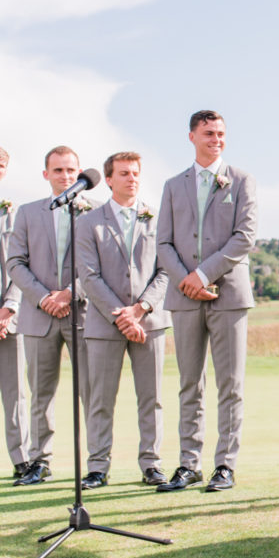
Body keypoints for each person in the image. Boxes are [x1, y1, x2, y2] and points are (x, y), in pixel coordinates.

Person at [156, 110, 257, 493]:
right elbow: (162, 241)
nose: (216, 139)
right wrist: (186, 280)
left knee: (230, 384)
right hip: (184, 298)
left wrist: (203, 275)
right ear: (192, 136)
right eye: (209, 133)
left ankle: (225, 466)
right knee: (188, 383)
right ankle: (188, 464)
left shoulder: (242, 180)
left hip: (228, 294)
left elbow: (244, 236)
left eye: (221, 133)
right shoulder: (171, 186)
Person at [76, 152, 171, 489]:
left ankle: (152, 464)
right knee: (100, 398)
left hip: (150, 322)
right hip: (104, 324)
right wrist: (122, 316)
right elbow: (88, 276)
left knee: (152, 397)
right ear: (110, 179)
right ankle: (98, 467)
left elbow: (165, 271)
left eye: (135, 173)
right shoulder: (88, 222)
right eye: (124, 173)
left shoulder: (158, 219)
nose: (131, 178)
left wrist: (141, 309)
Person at [7, 146, 99, 486]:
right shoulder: (28, 213)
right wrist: (44, 297)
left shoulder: (96, 212)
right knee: (40, 393)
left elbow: (98, 265)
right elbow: (15, 262)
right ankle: (39, 461)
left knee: (91, 392)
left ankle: (95, 465)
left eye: (71, 170)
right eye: (58, 170)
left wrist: (72, 291)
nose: (65, 176)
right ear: (46, 174)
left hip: (84, 314)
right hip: (38, 315)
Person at [0, 145, 30, 479]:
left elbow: (20, 263)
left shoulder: (13, 212)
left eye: (0, 164)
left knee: (15, 391)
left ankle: (22, 461)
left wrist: (8, 306)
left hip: (7, 316)